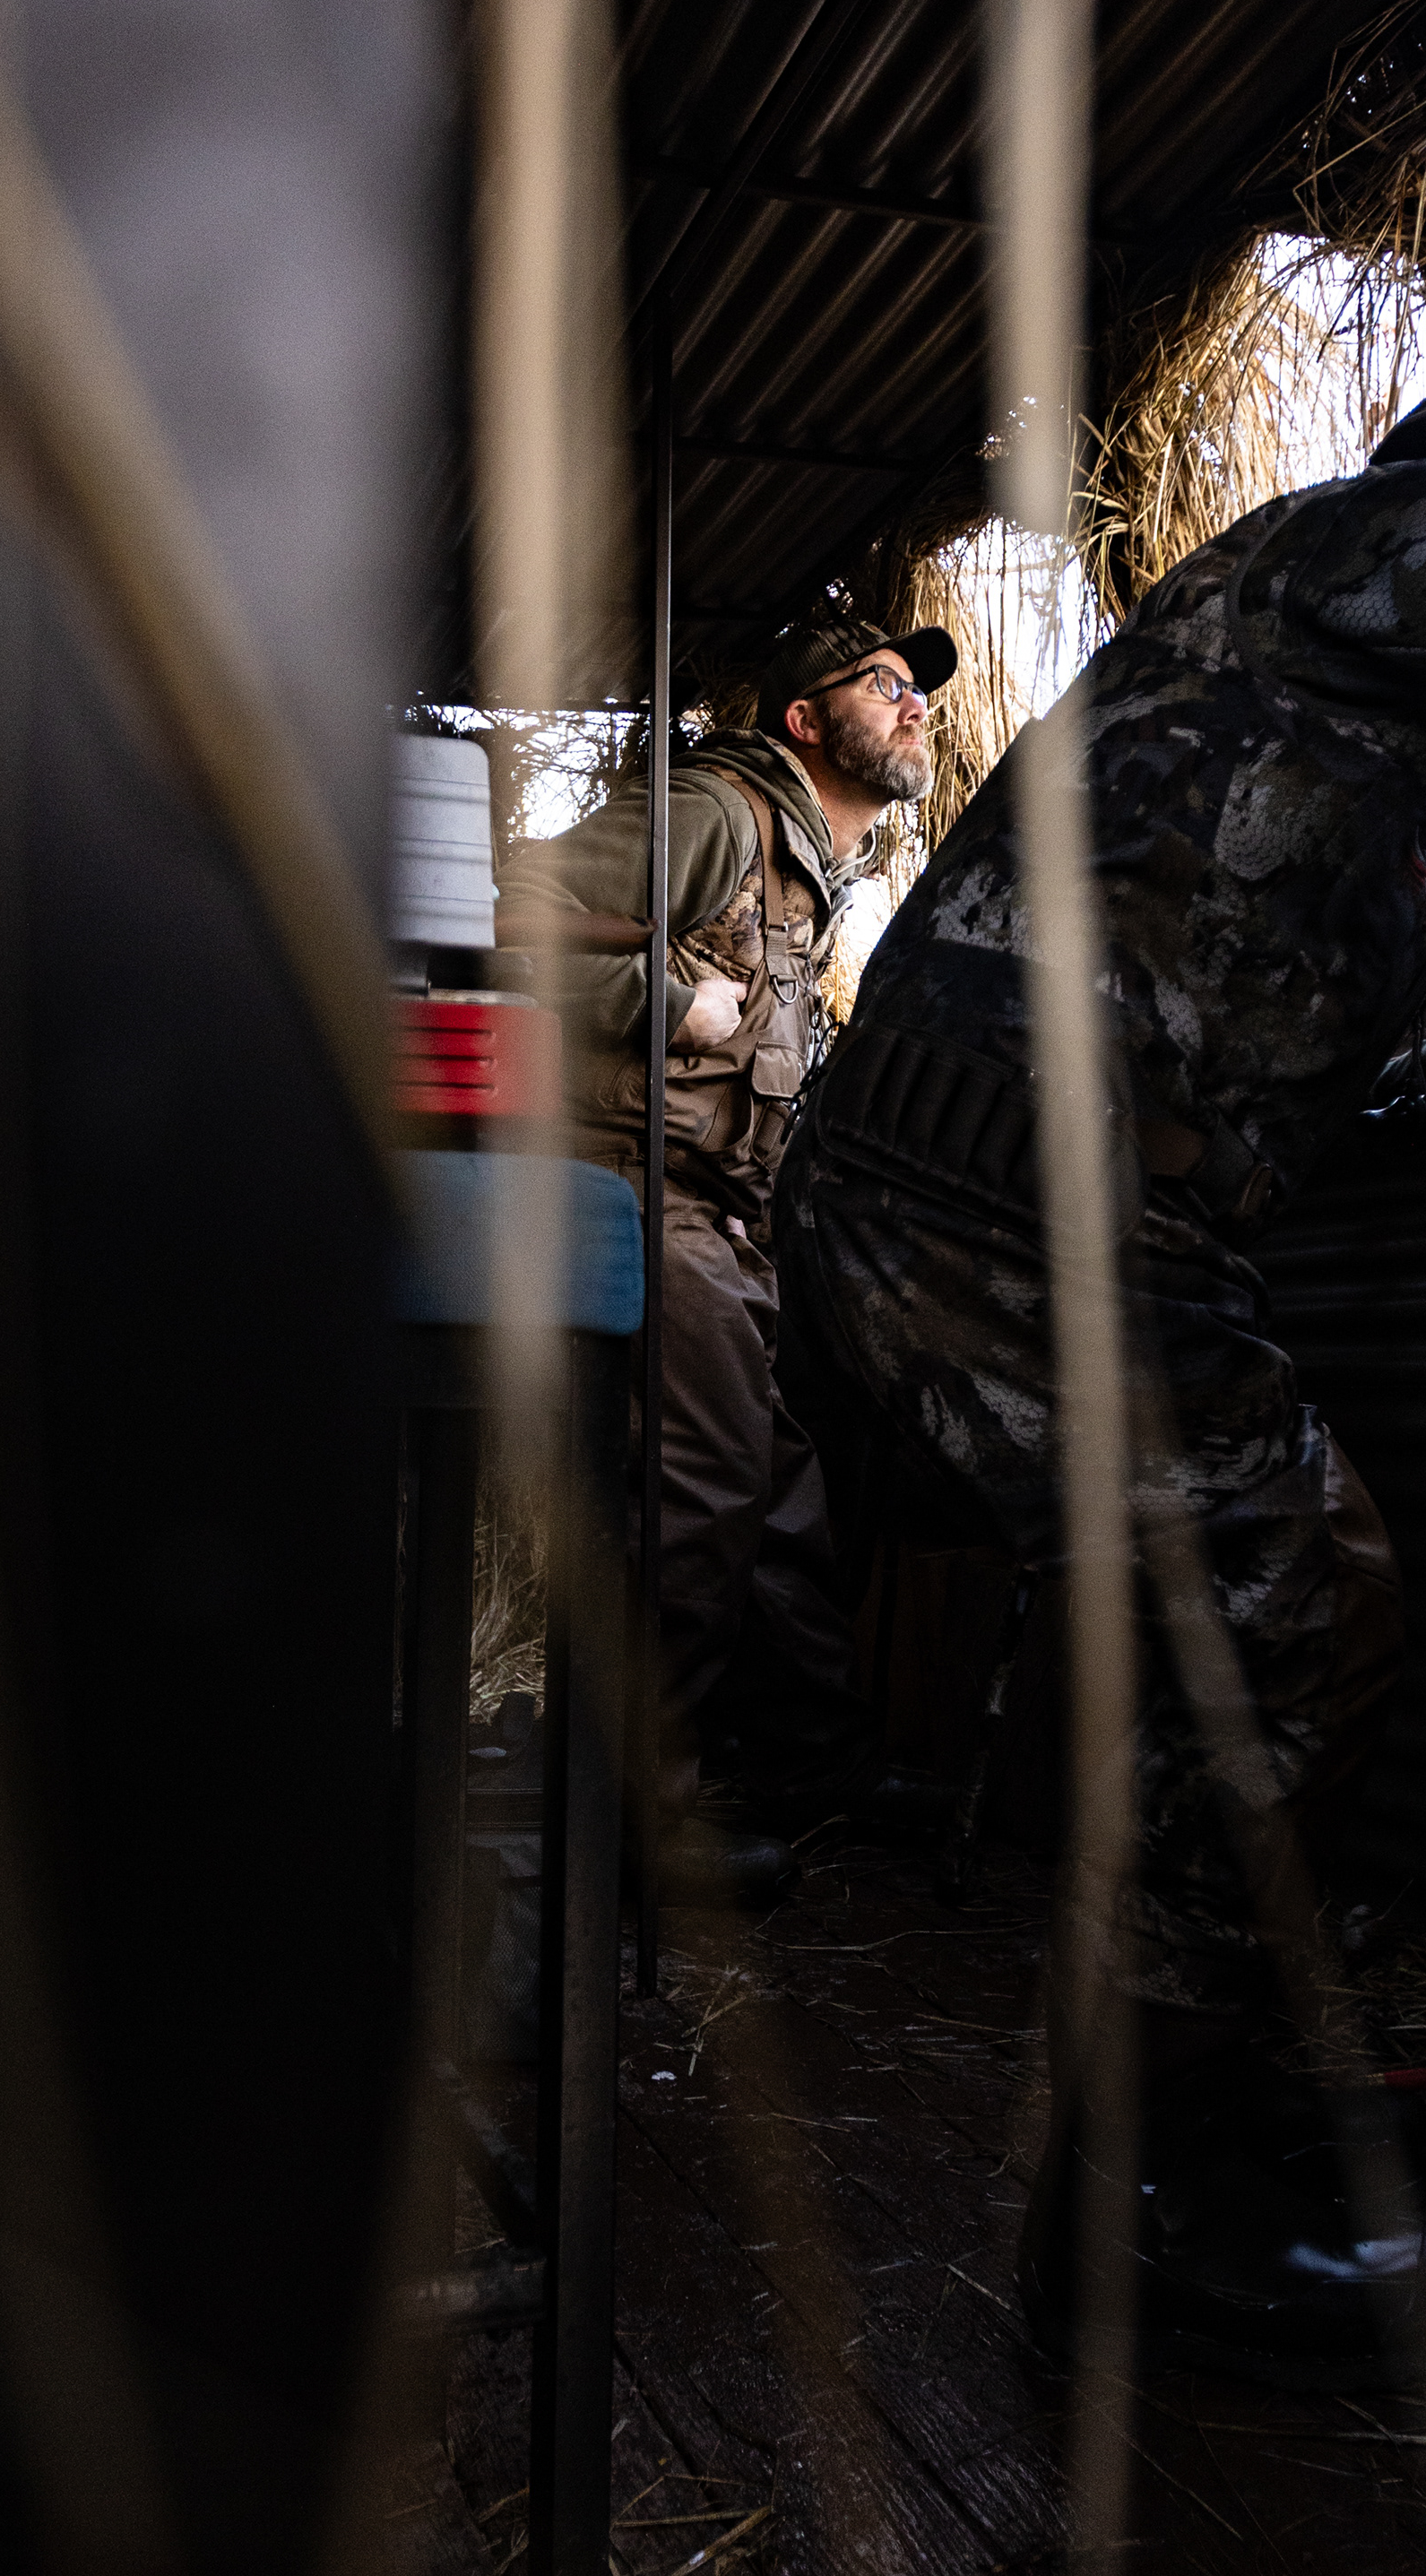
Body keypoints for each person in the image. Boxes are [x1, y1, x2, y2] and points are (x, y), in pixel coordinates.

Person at [774, 348, 1426, 2384]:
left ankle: (1205, 2105)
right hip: (978, 1203)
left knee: (1307, 1600)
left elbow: (1261, 1038)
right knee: (1283, 1608)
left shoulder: (1406, 760)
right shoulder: (1368, 537)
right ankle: (1138, 2206)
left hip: (1066, 1223)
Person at [496, 617, 958, 1902]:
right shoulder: (716, 812)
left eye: (920, 689)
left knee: (782, 1494)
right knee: (700, 1489)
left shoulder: (814, 870)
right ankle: (622, 1823)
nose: (914, 703)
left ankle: (812, 1764)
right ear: (805, 717)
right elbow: (516, 907)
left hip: (717, 1212)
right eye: (883, 682)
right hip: (628, 1189)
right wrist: (657, 1002)